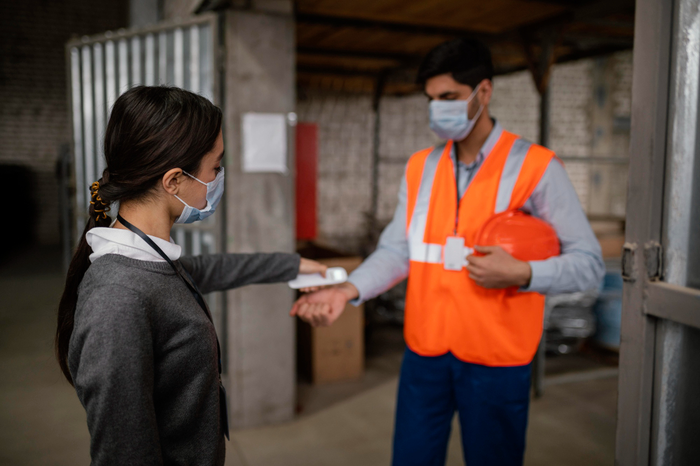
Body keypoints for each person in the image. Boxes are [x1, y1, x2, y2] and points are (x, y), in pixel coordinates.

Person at [291, 38, 605, 466]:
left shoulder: (536, 167)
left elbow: (588, 265)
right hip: (426, 354)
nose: (438, 108)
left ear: (485, 92)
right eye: (432, 99)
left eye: (450, 97)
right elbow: (398, 250)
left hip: (497, 358)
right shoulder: (420, 166)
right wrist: (346, 291)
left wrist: (525, 273)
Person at [55, 86, 326, 466]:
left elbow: (207, 270)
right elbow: (124, 454)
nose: (218, 178)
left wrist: (292, 266)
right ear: (174, 181)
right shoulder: (117, 299)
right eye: (215, 167)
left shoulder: (148, 259)